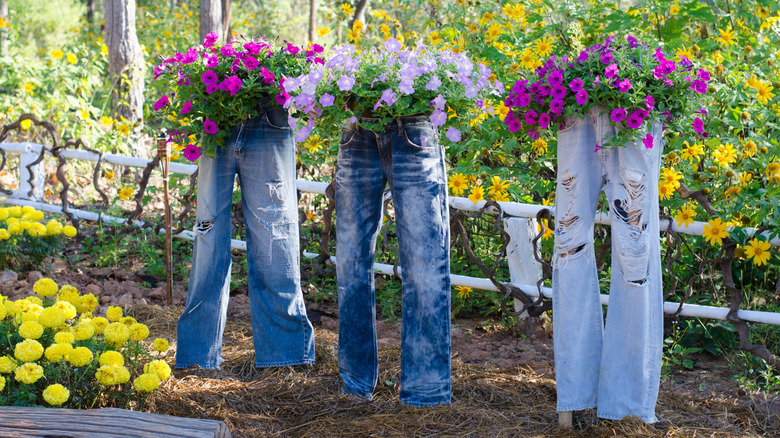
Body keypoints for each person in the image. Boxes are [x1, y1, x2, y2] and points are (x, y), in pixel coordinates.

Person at [176, 96, 315, 370]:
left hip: (270, 116)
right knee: (209, 236)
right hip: (218, 111)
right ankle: (196, 360)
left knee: (275, 240)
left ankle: (284, 359)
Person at [552, 109, 664, 423]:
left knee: (635, 260)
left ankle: (627, 408)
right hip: (578, 110)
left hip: (633, 110)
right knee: (568, 249)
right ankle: (574, 397)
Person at [335, 116, 452, 407]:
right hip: (356, 132)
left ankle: (426, 392)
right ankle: (354, 382)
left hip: (413, 130)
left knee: (425, 268)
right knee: (350, 266)